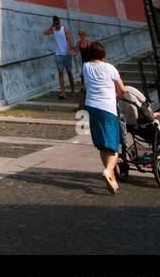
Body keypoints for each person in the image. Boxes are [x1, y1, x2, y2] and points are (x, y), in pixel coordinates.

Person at [79, 40, 126, 194]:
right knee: (113, 146)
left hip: (92, 106)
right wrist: (117, 97)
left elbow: (85, 86)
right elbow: (123, 90)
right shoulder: (109, 68)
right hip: (107, 108)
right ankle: (107, 171)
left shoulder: (85, 67)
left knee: (102, 144)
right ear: (103, 54)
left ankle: (112, 179)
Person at [42, 15, 76, 98]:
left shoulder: (64, 29)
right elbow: (44, 32)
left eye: (58, 23)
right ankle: (63, 93)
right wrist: (51, 26)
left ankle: (72, 91)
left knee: (69, 73)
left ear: (59, 22)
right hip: (58, 55)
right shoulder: (53, 30)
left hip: (66, 55)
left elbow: (69, 40)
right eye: (55, 23)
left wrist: (70, 50)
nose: (57, 25)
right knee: (60, 73)